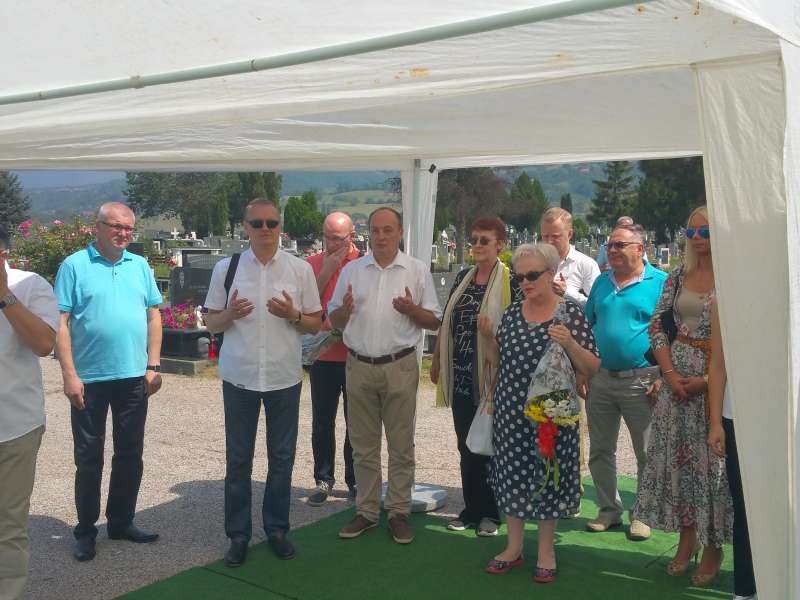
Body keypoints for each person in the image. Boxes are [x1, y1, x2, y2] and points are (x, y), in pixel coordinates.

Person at [204, 198, 322, 567]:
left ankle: (276, 529)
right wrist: (229, 314)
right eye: (258, 223)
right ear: (246, 226)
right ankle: (238, 535)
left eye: (272, 222)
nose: (266, 229)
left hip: (283, 377)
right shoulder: (227, 268)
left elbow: (315, 324)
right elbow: (211, 323)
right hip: (240, 377)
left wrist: (293, 314)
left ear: (280, 226)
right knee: (238, 461)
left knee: (282, 459)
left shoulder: (300, 269)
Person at [482, 243, 599, 584]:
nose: (525, 283)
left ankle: (546, 551)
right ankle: (513, 547)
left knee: (548, 476)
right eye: (519, 278)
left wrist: (570, 343)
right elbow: (497, 360)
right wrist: (488, 338)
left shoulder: (570, 312)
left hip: (550, 414)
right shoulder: (512, 312)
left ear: (551, 274)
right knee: (513, 474)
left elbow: (592, 366)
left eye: (532, 275)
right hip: (511, 410)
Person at [54, 202, 164, 562]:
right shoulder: (74, 266)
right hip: (90, 379)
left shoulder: (140, 265)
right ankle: (86, 531)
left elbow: (153, 315)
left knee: (130, 454)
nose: (123, 234)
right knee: (89, 459)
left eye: (129, 228)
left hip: (133, 377)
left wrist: (154, 364)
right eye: (116, 226)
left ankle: (121, 522)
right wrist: (69, 375)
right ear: (97, 227)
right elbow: (60, 324)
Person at [329, 207, 441, 544]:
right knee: (363, 446)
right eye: (375, 230)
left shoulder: (416, 270)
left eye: (388, 230)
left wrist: (411, 310)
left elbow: (433, 320)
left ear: (400, 233)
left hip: (399, 365)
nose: (381, 236)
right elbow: (334, 320)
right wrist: (344, 311)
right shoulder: (352, 270)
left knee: (401, 445)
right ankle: (366, 512)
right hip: (359, 366)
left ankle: (398, 512)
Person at [634, 206, 732, 586]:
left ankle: (713, 547)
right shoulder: (677, 275)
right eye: (691, 232)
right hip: (675, 386)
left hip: (715, 385)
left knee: (711, 470)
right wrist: (670, 374)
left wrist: (706, 380)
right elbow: (657, 325)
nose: (697, 238)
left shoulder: (732, 277)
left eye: (705, 231)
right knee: (679, 465)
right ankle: (686, 539)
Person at [430, 216, 517, 537]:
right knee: (466, 446)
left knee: (490, 446)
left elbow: (519, 328)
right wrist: (437, 360)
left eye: (484, 240)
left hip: (494, 378)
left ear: (500, 245)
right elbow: (447, 322)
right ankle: (471, 510)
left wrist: (493, 334)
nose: (477, 246)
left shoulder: (511, 282)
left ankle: (491, 513)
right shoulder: (463, 277)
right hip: (462, 376)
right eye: (474, 240)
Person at [583, 223, 667, 541]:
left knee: (645, 451)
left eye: (620, 245)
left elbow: (671, 332)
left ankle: (643, 514)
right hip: (601, 378)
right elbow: (587, 325)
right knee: (600, 450)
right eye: (610, 245)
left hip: (643, 379)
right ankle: (608, 510)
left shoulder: (660, 282)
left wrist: (663, 375)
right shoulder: (601, 282)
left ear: (640, 249)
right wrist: (583, 370)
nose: (613, 250)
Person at [0, 228, 59, 599]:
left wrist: (4, 295)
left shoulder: (31, 284)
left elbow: (43, 343)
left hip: (14, 426)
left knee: (8, 524)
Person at [305, 212, 360, 505]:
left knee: (357, 422)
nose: (331, 243)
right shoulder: (313, 263)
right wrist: (326, 270)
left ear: (352, 236)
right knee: (323, 421)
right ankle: (323, 478)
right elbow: (305, 304)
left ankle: (355, 479)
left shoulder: (363, 263)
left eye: (337, 238)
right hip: (323, 355)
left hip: (355, 355)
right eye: (327, 237)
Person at [707, 299, 757, 600]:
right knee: (745, 506)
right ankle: (746, 589)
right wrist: (715, 422)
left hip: (787, 421)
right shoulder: (726, 296)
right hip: (737, 416)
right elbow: (718, 363)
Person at [540, 207, 600, 307]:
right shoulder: (535, 263)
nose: (549, 241)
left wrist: (567, 292)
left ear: (569, 234)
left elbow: (597, 306)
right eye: (545, 236)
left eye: (555, 236)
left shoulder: (586, 264)